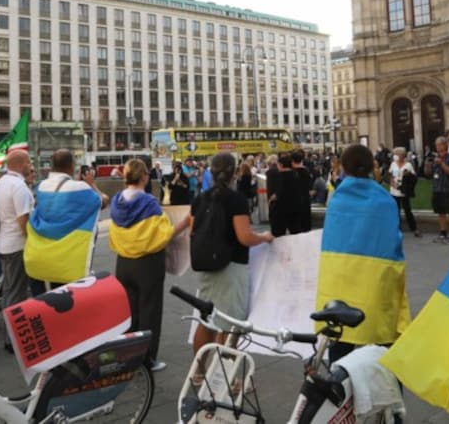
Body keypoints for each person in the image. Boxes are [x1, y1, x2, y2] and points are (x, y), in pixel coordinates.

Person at [316, 144, 411, 363]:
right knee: (382, 341)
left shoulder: (338, 199)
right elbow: (394, 243)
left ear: (344, 167)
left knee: (341, 340)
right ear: (371, 165)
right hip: (375, 282)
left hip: (341, 282)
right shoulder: (385, 201)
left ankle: (340, 389)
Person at [109, 159, 189, 372]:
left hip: (123, 262)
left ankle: (126, 355)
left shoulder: (117, 201)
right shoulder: (149, 203)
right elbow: (164, 236)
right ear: (144, 176)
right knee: (150, 310)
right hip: (147, 263)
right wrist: (184, 224)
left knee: (129, 311)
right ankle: (146, 359)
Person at [190, 153, 274, 356]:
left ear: (211, 172)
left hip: (206, 264)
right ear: (234, 173)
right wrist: (263, 237)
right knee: (231, 323)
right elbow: (244, 237)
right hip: (232, 265)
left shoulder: (200, 198)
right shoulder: (236, 200)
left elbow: (194, 231)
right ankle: (224, 373)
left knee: (207, 320)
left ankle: (199, 372)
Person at [25, 149, 108, 296]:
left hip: (41, 257)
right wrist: (91, 184)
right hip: (67, 262)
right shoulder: (80, 187)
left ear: (52, 166)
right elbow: (102, 201)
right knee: (67, 301)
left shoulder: (42, 186)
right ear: (71, 166)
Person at [0, 150, 34, 351]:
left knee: (10, 291)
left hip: (5, 243)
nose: (31, 165)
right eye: (29, 162)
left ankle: (9, 335)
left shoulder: (2, 182)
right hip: (17, 245)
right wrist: (32, 243)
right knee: (17, 294)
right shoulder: (18, 186)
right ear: (20, 164)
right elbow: (23, 220)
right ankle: (13, 339)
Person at [424, 136, 449, 243]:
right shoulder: (434, 159)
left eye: (439, 145)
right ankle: (442, 233)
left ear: (445, 145)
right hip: (437, 188)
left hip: (448, 188)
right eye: (436, 145)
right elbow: (428, 175)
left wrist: (442, 164)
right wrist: (427, 166)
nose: (437, 147)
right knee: (440, 212)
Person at [389, 147, 420, 237]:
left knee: (407, 210)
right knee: (396, 211)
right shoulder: (393, 164)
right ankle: (396, 229)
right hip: (394, 190)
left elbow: (414, 177)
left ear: (402, 155)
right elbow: (390, 175)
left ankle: (414, 228)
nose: (395, 156)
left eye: (397, 154)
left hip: (404, 190)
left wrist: (407, 174)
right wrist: (392, 183)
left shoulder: (408, 165)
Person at [291, 149, 313, 234]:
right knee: (306, 224)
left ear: (292, 160)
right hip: (305, 199)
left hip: (295, 200)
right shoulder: (306, 171)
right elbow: (309, 186)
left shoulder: (291, 172)